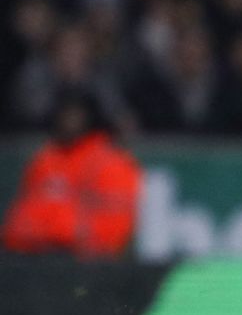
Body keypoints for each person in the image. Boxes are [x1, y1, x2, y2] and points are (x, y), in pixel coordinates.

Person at [2, 88, 141, 258]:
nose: (68, 121)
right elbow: (19, 221)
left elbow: (114, 231)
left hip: (83, 263)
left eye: (75, 115)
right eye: (64, 114)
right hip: (33, 257)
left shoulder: (110, 163)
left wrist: (63, 235)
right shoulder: (44, 159)